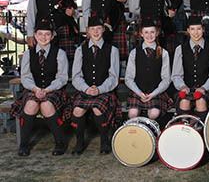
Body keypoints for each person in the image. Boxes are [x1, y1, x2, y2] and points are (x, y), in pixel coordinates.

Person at [10, 19, 69, 156]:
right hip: (33, 89)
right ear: (35, 35)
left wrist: (47, 90)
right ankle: (24, 144)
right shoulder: (27, 54)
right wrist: (36, 89)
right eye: (40, 34)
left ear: (52, 36)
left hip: (54, 90)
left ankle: (60, 142)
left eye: (47, 34)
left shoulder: (59, 53)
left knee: (46, 105)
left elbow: (62, 77)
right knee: (31, 104)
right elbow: (25, 77)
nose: (44, 37)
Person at [70, 15, 121, 155]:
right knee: (77, 110)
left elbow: (113, 76)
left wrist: (100, 89)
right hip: (85, 90)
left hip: (104, 90)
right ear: (87, 30)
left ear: (103, 30)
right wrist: (86, 88)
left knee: (98, 109)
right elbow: (76, 76)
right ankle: (79, 142)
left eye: (99, 28)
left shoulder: (113, 50)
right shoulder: (80, 50)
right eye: (93, 29)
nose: (96, 32)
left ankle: (104, 141)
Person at [171, 16, 209, 122]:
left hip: (206, 90)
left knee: (200, 101)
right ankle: (184, 130)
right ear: (188, 31)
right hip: (186, 89)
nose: (196, 32)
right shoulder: (180, 49)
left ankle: (201, 131)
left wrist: (204, 88)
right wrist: (182, 86)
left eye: (198, 29)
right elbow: (176, 75)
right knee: (184, 101)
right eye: (192, 29)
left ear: (203, 29)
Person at [124, 18, 172, 120]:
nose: (149, 35)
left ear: (157, 33)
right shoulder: (134, 53)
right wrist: (139, 92)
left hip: (156, 91)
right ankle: (136, 133)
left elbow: (166, 79)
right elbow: (128, 78)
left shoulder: (163, 53)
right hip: (138, 91)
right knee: (132, 113)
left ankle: (151, 133)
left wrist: (154, 93)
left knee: (153, 113)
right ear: (141, 34)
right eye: (146, 32)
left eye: (152, 32)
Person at [55, 0, 80, 64]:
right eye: (70, 8)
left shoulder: (70, 19)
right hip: (65, 53)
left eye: (72, 8)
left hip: (71, 52)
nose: (72, 10)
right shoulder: (60, 20)